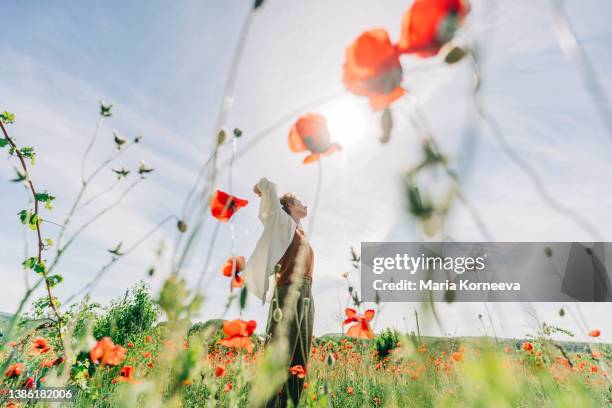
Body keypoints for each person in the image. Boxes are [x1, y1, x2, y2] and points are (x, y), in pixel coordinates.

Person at [242, 177, 315, 408]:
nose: (306, 205)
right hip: (287, 291)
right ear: (290, 205)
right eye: (300, 202)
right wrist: (260, 187)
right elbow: (268, 187)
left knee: (300, 356)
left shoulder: (299, 232)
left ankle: (289, 404)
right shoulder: (280, 221)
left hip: (306, 293)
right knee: (278, 352)